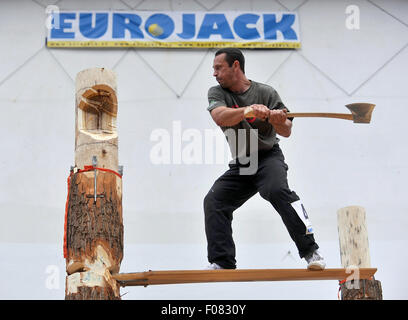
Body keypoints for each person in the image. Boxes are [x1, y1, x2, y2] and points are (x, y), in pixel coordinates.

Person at [204, 48, 325, 270]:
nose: (215, 73)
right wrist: (247, 110)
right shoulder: (217, 92)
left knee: (276, 191)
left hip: (268, 158)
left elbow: (286, 130)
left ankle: (311, 252)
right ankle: (223, 262)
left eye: (219, 68)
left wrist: (276, 118)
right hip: (242, 163)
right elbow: (220, 117)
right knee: (214, 201)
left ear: (236, 66)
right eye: (214, 69)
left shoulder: (266, 92)